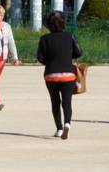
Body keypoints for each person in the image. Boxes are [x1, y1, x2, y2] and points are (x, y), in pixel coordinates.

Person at [36, 10, 83, 139]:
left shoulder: (44, 39)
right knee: (67, 102)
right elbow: (79, 52)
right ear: (63, 23)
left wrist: (50, 62)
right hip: (68, 75)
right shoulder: (70, 36)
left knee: (55, 102)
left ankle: (59, 129)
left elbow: (40, 58)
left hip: (51, 75)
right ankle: (67, 123)